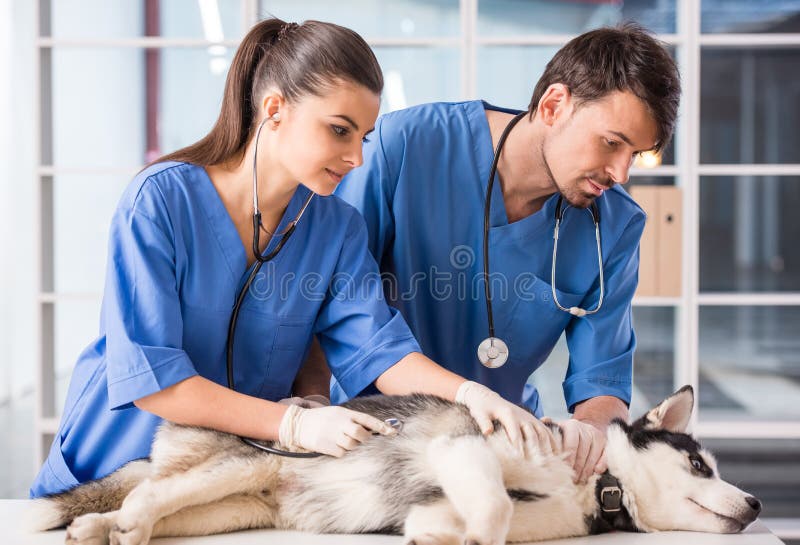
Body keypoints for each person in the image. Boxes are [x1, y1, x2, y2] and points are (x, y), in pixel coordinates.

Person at [30, 18, 555, 498]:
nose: (357, 158)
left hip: (215, 487)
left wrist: (469, 394)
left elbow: (380, 353)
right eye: (339, 129)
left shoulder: (336, 228)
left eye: (364, 136)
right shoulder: (160, 201)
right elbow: (153, 380)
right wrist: (293, 426)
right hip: (105, 475)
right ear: (275, 110)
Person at [321, 23, 681, 484]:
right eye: (612, 143)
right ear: (554, 105)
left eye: (636, 154)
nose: (621, 173)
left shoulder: (613, 225)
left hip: (504, 449)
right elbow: (334, 303)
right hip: (369, 440)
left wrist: (591, 431)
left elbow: (602, 376)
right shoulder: (406, 146)